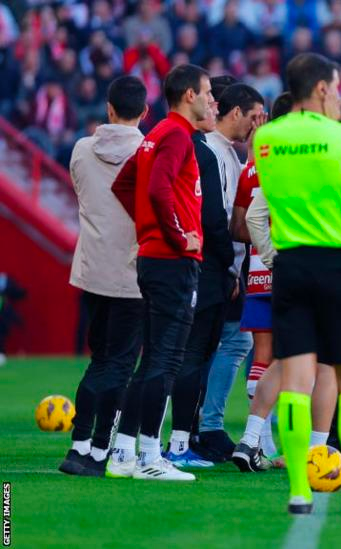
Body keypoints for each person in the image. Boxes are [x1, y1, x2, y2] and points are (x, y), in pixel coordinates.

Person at [252, 53, 341, 515]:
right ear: (324, 89)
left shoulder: (265, 139)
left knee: (295, 379)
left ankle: (297, 490)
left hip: (289, 265)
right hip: (337, 264)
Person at [108, 64, 212, 481]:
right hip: (172, 261)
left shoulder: (155, 135)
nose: (210, 101)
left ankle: (123, 451)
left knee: (152, 358)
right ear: (189, 94)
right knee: (165, 360)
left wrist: (148, 228)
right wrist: (175, 233)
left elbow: (124, 185)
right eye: (206, 93)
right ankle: (151, 457)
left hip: (155, 257)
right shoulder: (176, 135)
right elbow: (155, 188)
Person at [61, 76, 148, 477]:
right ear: (145, 112)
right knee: (121, 364)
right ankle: (99, 450)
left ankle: (78, 444)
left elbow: (82, 194)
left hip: (92, 270)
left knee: (99, 360)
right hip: (133, 273)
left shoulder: (81, 149)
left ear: (109, 108)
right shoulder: (149, 152)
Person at [161, 81, 241, 468]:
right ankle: (177, 443)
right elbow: (213, 219)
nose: (213, 105)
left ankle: (134, 442)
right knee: (190, 355)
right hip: (199, 267)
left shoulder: (162, 140)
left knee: (169, 355)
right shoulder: (201, 152)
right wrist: (227, 262)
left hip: (173, 260)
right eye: (209, 99)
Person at [193, 83, 266, 463]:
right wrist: (229, 268)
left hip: (231, 267)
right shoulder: (211, 151)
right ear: (235, 112)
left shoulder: (227, 155)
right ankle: (201, 429)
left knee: (230, 343)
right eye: (256, 116)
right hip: (222, 267)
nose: (260, 124)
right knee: (210, 346)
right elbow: (223, 220)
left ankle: (205, 427)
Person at [230, 92, 294, 471]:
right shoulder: (298, 162)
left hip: (259, 267)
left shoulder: (250, 170)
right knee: (300, 358)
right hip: (296, 265)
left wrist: (262, 252)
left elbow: (240, 225)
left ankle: (260, 440)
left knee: (263, 355)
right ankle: (284, 443)